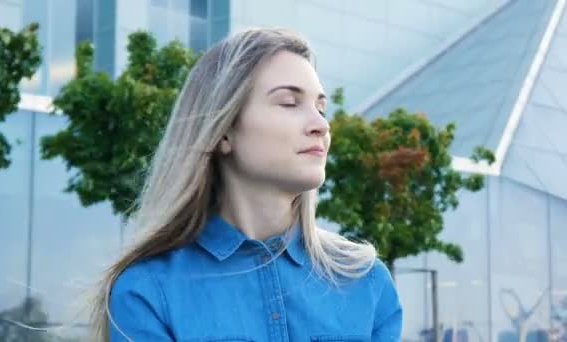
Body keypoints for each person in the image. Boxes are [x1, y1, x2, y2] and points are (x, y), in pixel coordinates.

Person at [90, 27, 403, 341]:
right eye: (289, 102)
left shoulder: (366, 280)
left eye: (321, 108)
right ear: (224, 131)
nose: (321, 125)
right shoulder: (146, 291)